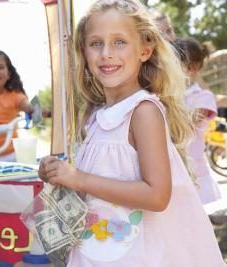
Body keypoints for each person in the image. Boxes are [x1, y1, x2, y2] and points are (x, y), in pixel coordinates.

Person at [38, 0, 225, 266]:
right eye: (96, 43)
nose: (106, 53)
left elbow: (157, 195)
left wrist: (78, 178)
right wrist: (61, 175)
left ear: (145, 50)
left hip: (137, 255)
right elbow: (96, 185)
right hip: (100, 251)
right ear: (84, 51)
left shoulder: (143, 112)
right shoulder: (97, 117)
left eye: (119, 42)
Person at [173, 37, 221, 204]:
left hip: (193, 171)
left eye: (173, 62)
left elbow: (183, 126)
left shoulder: (203, 97)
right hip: (171, 172)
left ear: (192, 68)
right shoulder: (167, 95)